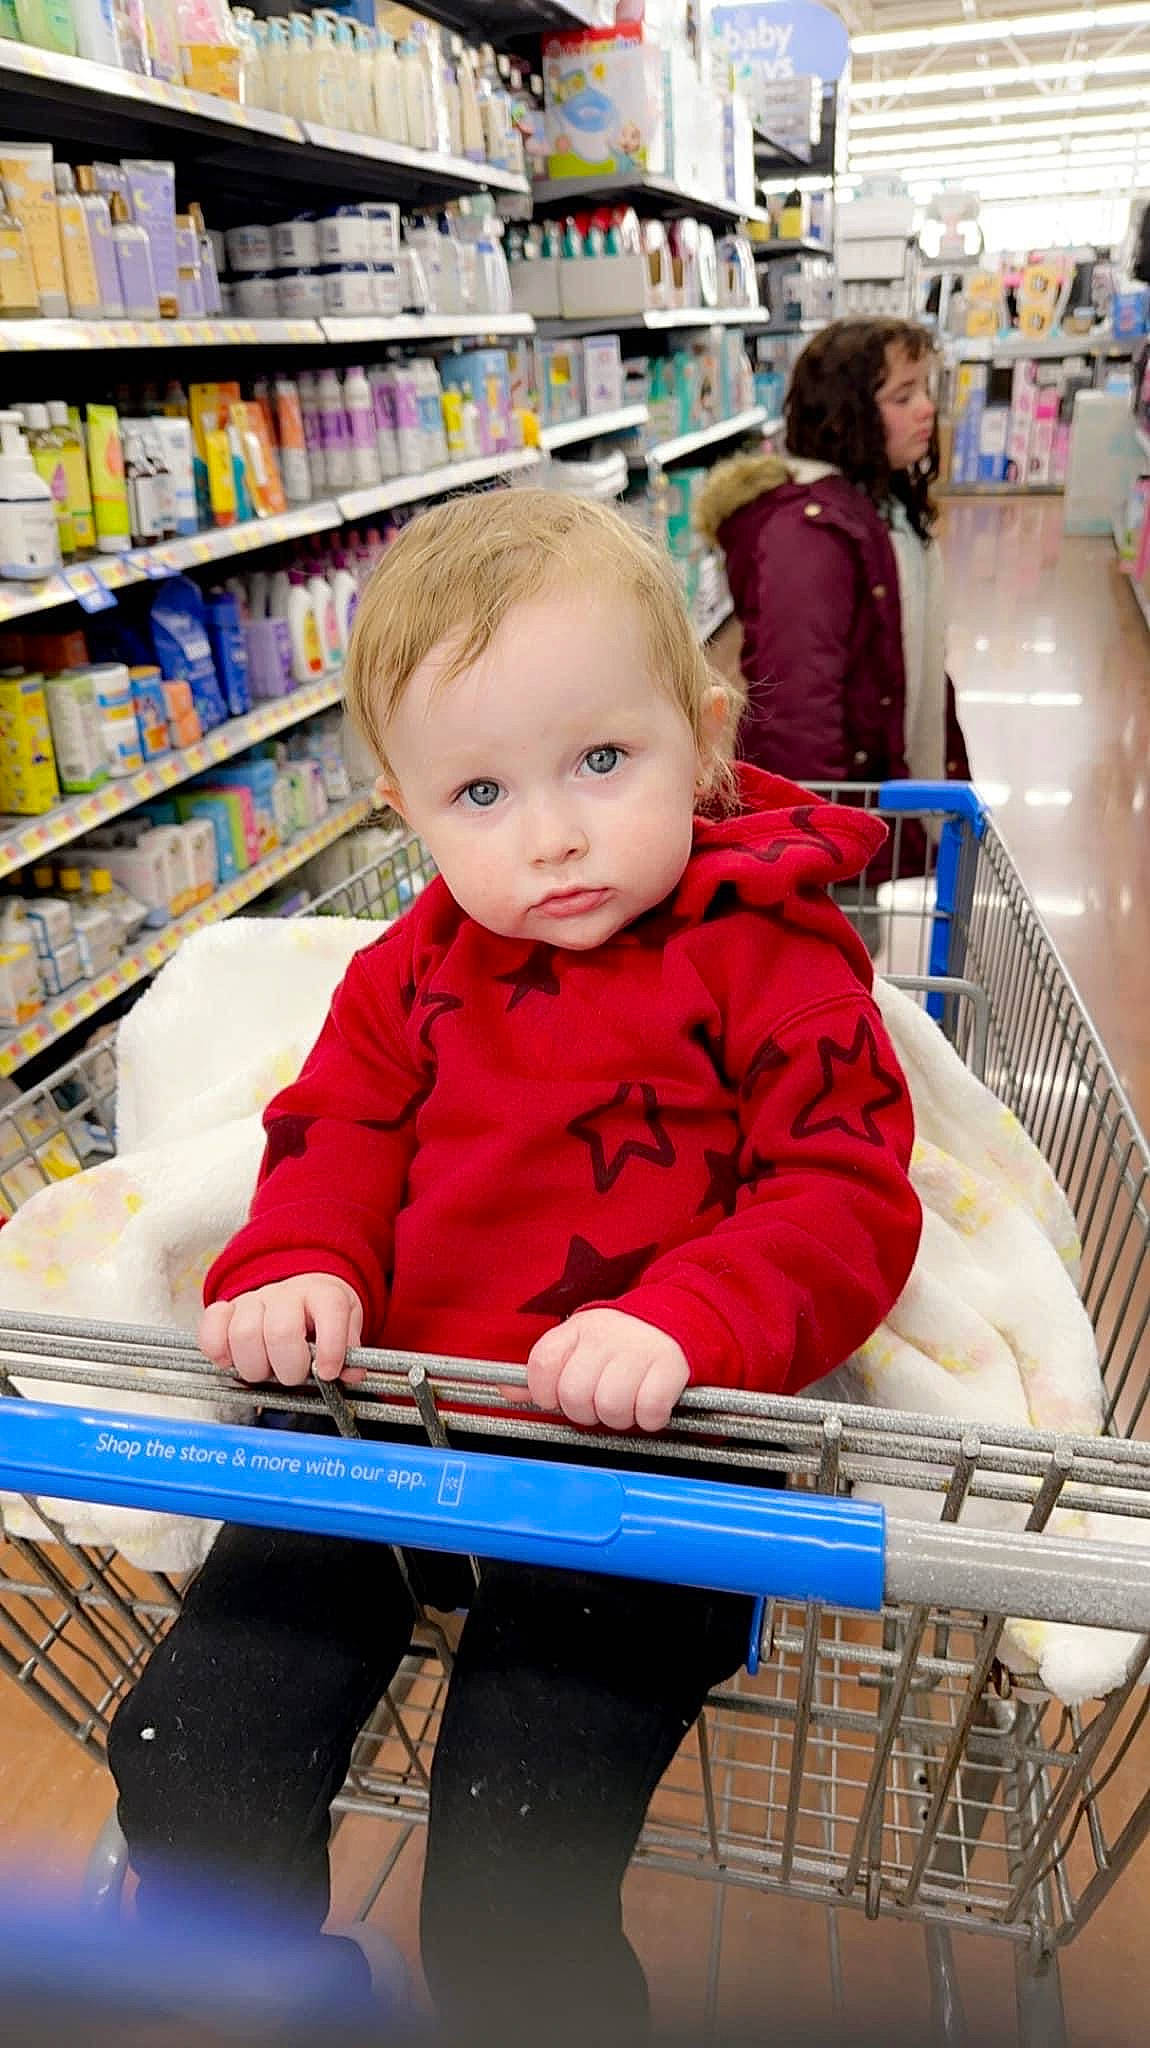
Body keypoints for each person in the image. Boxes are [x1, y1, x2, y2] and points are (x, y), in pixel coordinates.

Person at [107, 492, 923, 2047]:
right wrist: (300, 1255)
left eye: (601, 761)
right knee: (190, 1760)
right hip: (386, 1420)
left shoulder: (773, 956)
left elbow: (843, 1195)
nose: (548, 835)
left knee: (513, 1880)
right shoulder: (409, 967)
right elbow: (336, 1123)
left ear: (704, 733)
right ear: (405, 813)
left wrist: (687, 1318)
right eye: (478, 792)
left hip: (647, 1459)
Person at [697, 317, 970, 790]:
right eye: (903, 397)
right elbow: (799, 712)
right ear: (847, 414)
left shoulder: (884, 505)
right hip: (847, 809)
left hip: (885, 792)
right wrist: (827, 827)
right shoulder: (809, 534)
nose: (927, 408)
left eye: (925, 390)